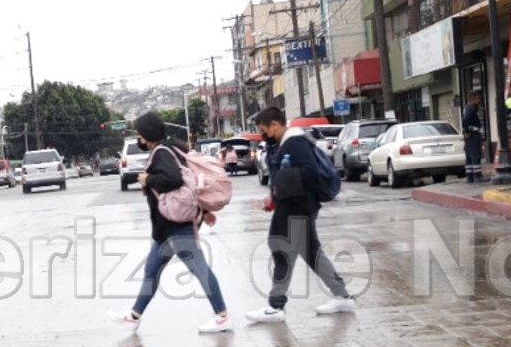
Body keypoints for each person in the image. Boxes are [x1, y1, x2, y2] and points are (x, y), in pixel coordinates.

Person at [110, 111, 232, 333]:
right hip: (165, 229)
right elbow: (187, 184)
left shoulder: (161, 152)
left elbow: (174, 180)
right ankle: (133, 317)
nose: (139, 138)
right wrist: (203, 211)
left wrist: (148, 179)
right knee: (151, 271)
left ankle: (222, 316)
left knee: (200, 270)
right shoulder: (169, 149)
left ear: (147, 133)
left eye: (140, 134)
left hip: (176, 226)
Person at [246, 106, 355, 322]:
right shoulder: (285, 143)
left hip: (297, 206)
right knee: (311, 252)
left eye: (264, 131)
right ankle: (343, 296)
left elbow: (308, 171)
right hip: (297, 205)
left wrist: (281, 187)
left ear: (275, 124)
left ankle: (276, 306)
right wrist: (274, 195)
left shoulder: (295, 142)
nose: (263, 136)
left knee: (281, 250)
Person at [462, 91, 486, 182]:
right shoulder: (471, 109)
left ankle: (470, 176)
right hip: (473, 135)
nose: (479, 100)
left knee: (469, 156)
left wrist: (466, 131)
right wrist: (467, 131)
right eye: (478, 98)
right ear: (473, 98)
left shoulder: (467, 108)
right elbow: (465, 121)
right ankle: (477, 176)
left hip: (470, 136)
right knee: (475, 155)